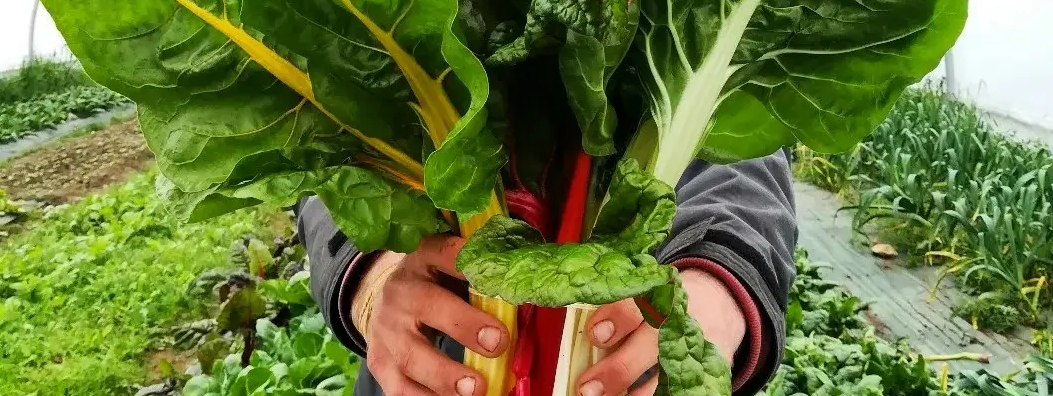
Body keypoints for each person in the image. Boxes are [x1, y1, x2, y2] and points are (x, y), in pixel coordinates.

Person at [297, 151, 797, 396]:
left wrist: (717, 281)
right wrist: (371, 271)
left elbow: (743, 144)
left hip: (625, 355)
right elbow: (324, 143)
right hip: (428, 369)